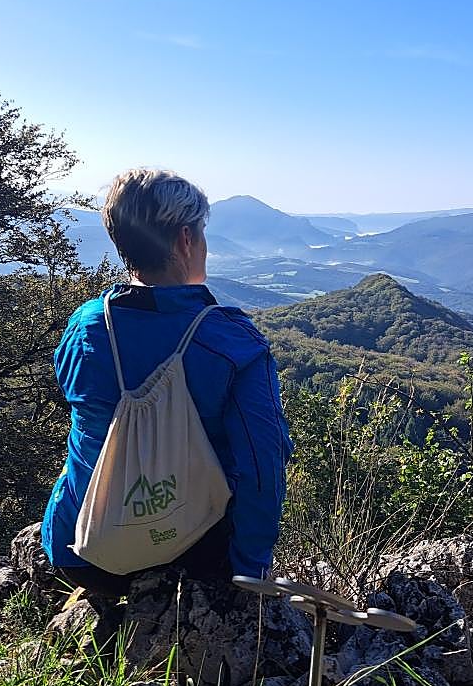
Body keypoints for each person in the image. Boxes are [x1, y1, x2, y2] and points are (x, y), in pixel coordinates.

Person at [41, 168, 293, 598]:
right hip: (190, 550)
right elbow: (262, 463)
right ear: (185, 240)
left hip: (82, 548)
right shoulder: (231, 342)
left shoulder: (85, 326)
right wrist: (250, 573)